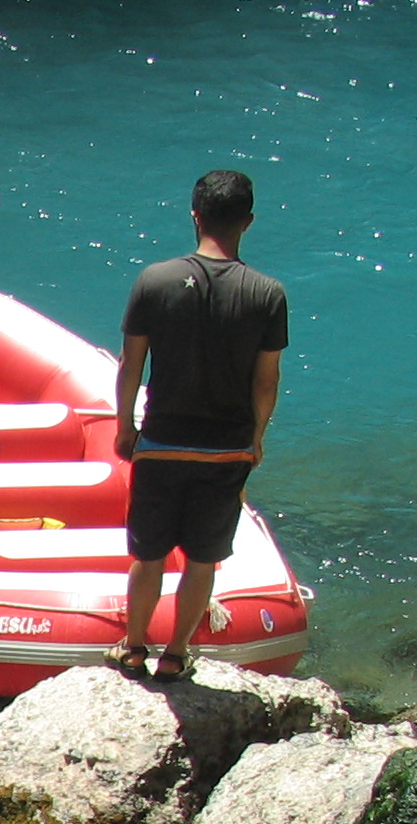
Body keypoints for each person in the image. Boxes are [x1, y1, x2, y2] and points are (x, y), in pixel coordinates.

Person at [110, 170, 287, 680]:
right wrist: (255, 439)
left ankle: (135, 647)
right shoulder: (267, 293)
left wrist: (126, 428)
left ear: (195, 215)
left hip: (162, 441)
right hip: (227, 450)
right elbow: (266, 381)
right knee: (202, 561)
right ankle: (177, 655)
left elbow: (131, 364)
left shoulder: (154, 280)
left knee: (148, 557)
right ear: (248, 223)